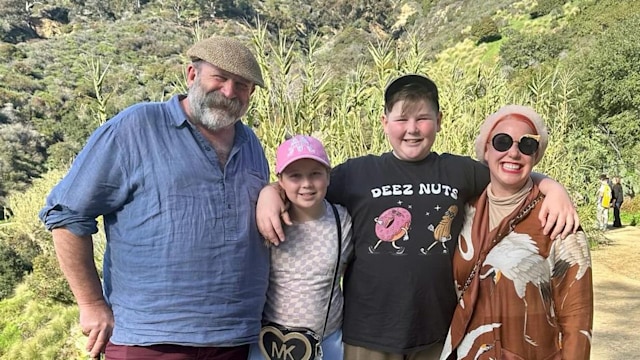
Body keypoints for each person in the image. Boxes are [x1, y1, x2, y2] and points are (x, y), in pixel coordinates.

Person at [256, 74, 580, 360]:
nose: (412, 129)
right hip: (368, 334)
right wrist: (271, 193)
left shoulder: (458, 170)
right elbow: (305, 183)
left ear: (439, 120)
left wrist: (553, 188)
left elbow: (508, 174)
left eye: (422, 118)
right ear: (384, 122)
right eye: (402, 119)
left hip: (436, 332)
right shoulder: (356, 173)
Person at [39, 36, 270, 360]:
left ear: (251, 94)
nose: (229, 92)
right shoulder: (135, 128)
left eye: (242, 84)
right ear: (192, 75)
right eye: (219, 78)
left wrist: (272, 192)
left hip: (234, 341)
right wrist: (90, 304)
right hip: (148, 342)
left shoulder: (251, 144)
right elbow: (66, 213)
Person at [440, 105, 593, 360]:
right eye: (502, 142)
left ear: (536, 156)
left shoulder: (557, 218)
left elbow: (578, 315)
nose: (513, 152)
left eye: (526, 145)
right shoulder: (463, 210)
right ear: (486, 150)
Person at [248, 135, 353, 360]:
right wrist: (268, 193)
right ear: (281, 181)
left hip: (326, 342)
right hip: (269, 344)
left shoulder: (342, 220)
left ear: (328, 175)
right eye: (295, 176)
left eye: (315, 173)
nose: (306, 184)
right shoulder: (268, 218)